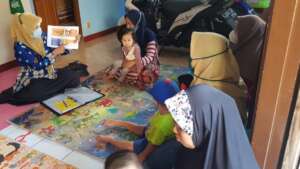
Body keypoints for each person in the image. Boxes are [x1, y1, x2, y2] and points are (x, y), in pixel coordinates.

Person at [164, 84, 260, 169]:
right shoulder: (190, 151)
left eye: (181, 126)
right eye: (175, 122)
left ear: (204, 126)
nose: (174, 130)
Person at [0, 13, 80, 105]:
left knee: (74, 77)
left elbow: (61, 49)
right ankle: (50, 91)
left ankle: (51, 91)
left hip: (49, 74)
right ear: (25, 29)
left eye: (39, 26)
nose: (40, 29)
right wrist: (54, 53)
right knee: (36, 92)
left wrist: (72, 43)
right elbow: (38, 65)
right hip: (33, 78)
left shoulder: (43, 36)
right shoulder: (20, 47)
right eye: (36, 27)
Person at [96, 79, 179, 162]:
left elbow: (153, 145)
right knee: (143, 129)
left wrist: (142, 156)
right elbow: (148, 128)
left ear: (157, 101)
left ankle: (108, 139)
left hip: (153, 140)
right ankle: (119, 123)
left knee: (131, 147)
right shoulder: (168, 110)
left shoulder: (162, 125)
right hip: (152, 131)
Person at [190, 31, 247, 123]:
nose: (192, 59)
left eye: (195, 54)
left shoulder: (204, 96)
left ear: (206, 57)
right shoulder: (234, 81)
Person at [229, 15, 266, 127]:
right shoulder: (253, 48)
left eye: (238, 29)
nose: (234, 32)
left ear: (249, 31)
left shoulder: (246, 65)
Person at [115, 10, 160, 89]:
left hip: (148, 63)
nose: (127, 26)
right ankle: (132, 78)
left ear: (137, 22)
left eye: (130, 23)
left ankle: (139, 79)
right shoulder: (129, 35)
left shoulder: (149, 34)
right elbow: (126, 55)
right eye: (126, 23)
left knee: (142, 74)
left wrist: (135, 63)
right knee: (118, 68)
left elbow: (150, 57)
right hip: (133, 63)